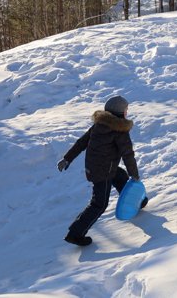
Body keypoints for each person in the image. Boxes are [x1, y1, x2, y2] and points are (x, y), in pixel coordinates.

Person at [57, 96, 144, 247]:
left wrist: (67, 158)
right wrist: (135, 174)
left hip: (98, 167)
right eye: (126, 110)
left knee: (120, 176)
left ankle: (138, 200)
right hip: (102, 173)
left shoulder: (98, 125)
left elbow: (81, 143)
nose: (127, 112)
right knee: (99, 204)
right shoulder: (120, 130)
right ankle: (75, 234)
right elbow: (127, 154)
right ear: (120, 113)